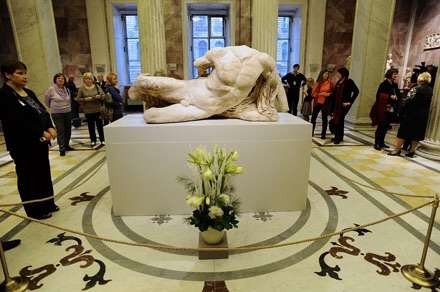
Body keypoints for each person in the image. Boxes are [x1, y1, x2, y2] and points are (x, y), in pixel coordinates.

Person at [0, 61, 59, 220]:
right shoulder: (4, 96)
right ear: (7, 75)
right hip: (23, 145)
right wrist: (40, 131)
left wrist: (50, 126)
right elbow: (16, 121)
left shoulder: (29, 92)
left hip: (39, 143)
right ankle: (35, 210)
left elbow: (42, 111)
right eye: (19, 73)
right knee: (29, 177)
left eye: (25, 73)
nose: (25, 76)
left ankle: (47, 202)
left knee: (43, 173)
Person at [388, 72, 433, 158]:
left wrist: (401, 110)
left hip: (410, 114)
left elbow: (407, 101)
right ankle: (412, 151)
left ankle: (397, 150)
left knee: (402, 132)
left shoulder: (416, 89)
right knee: (416, 134)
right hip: (422, 115)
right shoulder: (430, 90)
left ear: (420, 79)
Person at [369, 68, 399, 150]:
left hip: (391, 109)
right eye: (394, 74)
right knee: (381, 126)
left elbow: (397, 94)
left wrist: (396, 97)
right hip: (383, 108)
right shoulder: (383, 84)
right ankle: (377, 143)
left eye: (396, 74)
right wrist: (390, 96)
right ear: (390, 74)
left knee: (386, 127)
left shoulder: (394, 84)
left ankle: (382, 142)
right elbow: (379, 95)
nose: (396, 75)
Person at [44, 73, 73, 156]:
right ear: (55, 80)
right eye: (58, 78)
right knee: (61, 131)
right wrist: (53, 107)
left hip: (67, 112)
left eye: (62, 78)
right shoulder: (51, 89)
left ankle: (67, 145)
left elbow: (69, 100)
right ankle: (62, 148)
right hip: (57, 113)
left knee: (68, 130)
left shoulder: (66, 89)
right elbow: (46, 100)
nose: (61, 80)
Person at [329, 67, 359, 144]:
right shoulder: (339, 81)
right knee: (337, 120)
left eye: (339, 73)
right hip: (336, 105)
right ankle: (338, 136)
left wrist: (349, 101)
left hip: (343, 105)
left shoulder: (349, 81)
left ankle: (338, 138)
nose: (337, 74)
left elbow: (356, 91)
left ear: (343, 74)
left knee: (339, 120)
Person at [76, 72, 106, 147]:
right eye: (86, 79)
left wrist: (99, 96)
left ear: (92, 79)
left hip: (97, 109)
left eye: (89, 78)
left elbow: (103, 95)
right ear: (84, 80)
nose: (88, 80)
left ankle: (102, 139)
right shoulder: (81, 88)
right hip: (88, 110)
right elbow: (78, 99)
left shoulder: (96, 86)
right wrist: (86, 99)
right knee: (91, 126)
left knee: (99, 125)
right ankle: (93, 140)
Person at [310, 69, 333, 139]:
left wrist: (328, 94)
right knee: (313, 118)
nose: (326, 75)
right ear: (321, 74)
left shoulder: (330, 83)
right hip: (317, 102)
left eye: (327, 74)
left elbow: (333, 92)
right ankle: (311, 132)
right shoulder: (317, 83)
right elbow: (313, 94)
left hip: (325, 103)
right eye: (325, 74)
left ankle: (323, 134)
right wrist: (321, 94)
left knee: (324, 118)